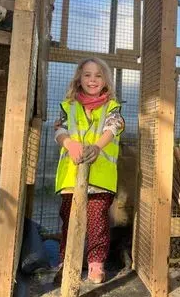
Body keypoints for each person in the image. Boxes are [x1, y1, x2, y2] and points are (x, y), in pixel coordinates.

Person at [53, 57, 125, 284]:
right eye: (87, 75)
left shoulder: (112, 107)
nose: (92, 79)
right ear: (79, 79)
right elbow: (60, 131)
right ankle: (67, 262)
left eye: (98, 75)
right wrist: (70, 144)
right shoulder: (68, 106)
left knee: (97, 222)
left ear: (105, 81)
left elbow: (114, 127)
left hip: (100, 178)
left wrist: (97, 147)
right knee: (70, 220)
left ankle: (95, 265)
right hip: (70, 177)